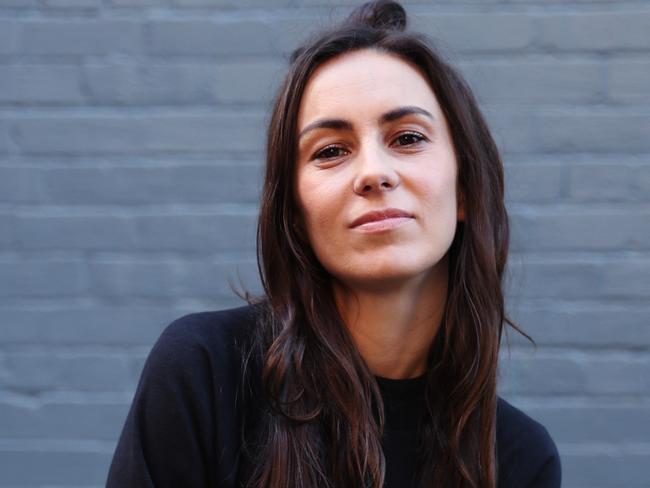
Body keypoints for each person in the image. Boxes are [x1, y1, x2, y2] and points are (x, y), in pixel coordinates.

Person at [106, 1, 562, 487]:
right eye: (330, 151)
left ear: (465, 188)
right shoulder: (204, 372)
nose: (373, 172)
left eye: (407, 138)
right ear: (297, 215)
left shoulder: (517, 458)